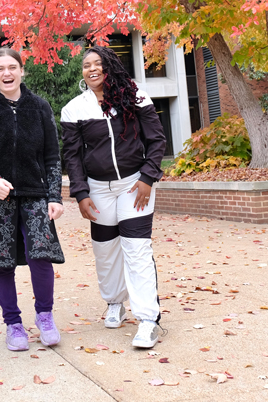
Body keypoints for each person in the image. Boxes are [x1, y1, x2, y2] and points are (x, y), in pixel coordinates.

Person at [60, 46, 167, 348]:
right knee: (105, 252)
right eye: (86, 66)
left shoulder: (136, 98)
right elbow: (73, 156)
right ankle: (115, 303)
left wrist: (148, 177)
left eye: (97, 64)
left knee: (137, 250)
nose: (91, 69)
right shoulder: (74, 109)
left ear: (109, 67)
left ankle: (148, 320)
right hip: (98, 190)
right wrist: (80, 193)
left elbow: (156, 139)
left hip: (134, 185)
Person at [0, 48, 65, 352]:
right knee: (3, 263)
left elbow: (52, 156)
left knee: (41, 257)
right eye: (0, 69)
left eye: (12, 67)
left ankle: (45, 317)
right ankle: (13, 324)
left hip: (35, 195)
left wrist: (55, 195)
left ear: (22, 71)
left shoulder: (39, 107)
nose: (6, 74)